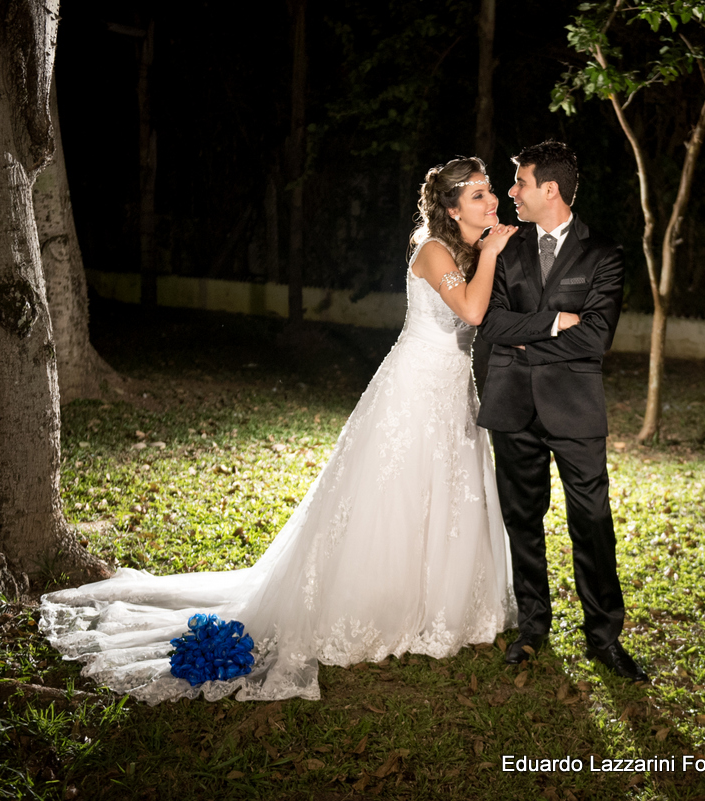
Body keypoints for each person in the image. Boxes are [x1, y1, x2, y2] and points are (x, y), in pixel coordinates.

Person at [40, 157, 519, 703]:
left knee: (451, 493)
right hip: (415, 389)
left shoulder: (466, 251)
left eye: (490, 193)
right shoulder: (434, 250)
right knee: (400, 493)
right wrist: (494, 253)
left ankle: (445, 605)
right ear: (452, 208)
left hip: (454, 388)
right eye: (479, 195)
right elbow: (472, 312)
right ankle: (379, 603)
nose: (492, 203)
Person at [477, 140, 648, 682]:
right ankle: (533, 626)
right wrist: (554, 324)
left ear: (549, 189)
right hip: (512, 407)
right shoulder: (504, 247)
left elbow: (596, 338)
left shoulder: (604, 255)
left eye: (520, 183)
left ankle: (603, 637)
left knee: (592, 521)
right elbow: (492, 323)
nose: (512, 193)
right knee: (521, 519)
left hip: (575, 410)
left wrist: (527, 344)